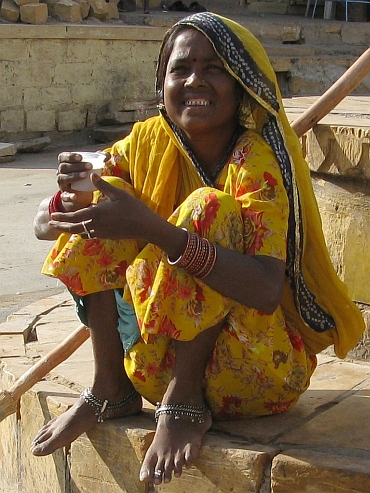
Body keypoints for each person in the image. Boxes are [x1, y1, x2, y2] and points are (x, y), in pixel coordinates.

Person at [31, 12, 364, 485]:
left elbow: (267, 289)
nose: (195, 81)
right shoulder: (146, 144)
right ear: (163, 83)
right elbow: (45, 223)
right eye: (181, 69)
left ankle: (186, 400)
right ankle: (110, 386)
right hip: (153, 370)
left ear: (239, 84)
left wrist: (155, 229)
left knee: (207, 208)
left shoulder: (257, 161)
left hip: (254, 371)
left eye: (213, 69)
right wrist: (65, 204)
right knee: (99, 206)